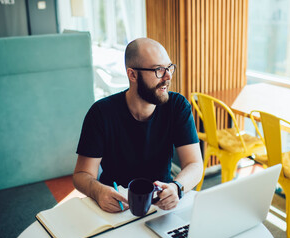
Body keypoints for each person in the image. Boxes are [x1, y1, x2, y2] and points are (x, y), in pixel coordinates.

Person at [73, 38, 203, 213]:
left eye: (169, 67)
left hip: (162, 201)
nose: (168, 76)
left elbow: (195, 164)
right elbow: (81, 175)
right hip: (115, 203)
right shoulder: (101, 113)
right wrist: (97, 191)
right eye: (158, 70)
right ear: (132, 75)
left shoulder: (177, 106)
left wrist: (177, 187)